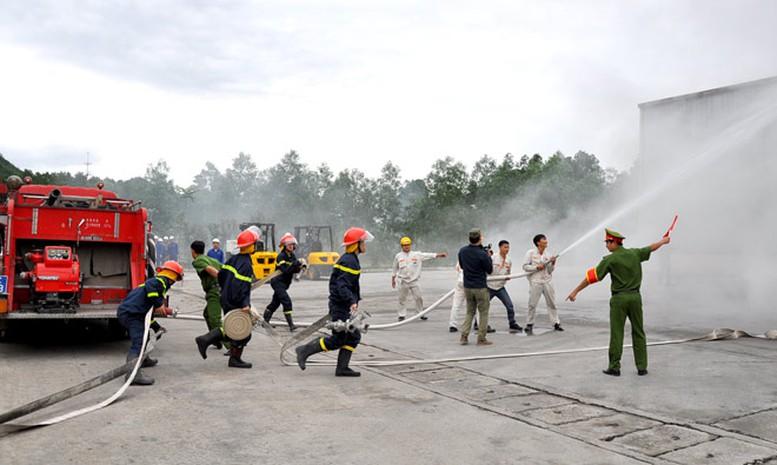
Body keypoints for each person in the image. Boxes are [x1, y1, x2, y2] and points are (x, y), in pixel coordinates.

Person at [566, 228, 670, 376]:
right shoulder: (634, 253)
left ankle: (614, 367)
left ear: (615, 242)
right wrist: (663, 241)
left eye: (608, 242)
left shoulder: (610, 259)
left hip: (619, 299)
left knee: (617, 333)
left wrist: (575, 291)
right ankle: (642, 367)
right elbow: (651, 248)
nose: (606, 245)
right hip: (635, 298)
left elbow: (592, 278)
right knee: (639, 331)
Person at [295, 227, 374, 377]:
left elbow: (346, 284)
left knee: (353, 336)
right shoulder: (349, 261)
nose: (365, 245)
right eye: (363, 242)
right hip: (340, 306)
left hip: (342, 305)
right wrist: (351, 301)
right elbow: (341, 285)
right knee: (338, 339)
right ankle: (304, 350)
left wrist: (353, 299)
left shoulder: (351, 259)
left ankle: (342, 368)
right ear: (356, 244)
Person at [195, 228, 259, 369]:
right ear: (250, 246)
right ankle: (233, 358)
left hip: (226, 297)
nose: (256, 246)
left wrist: (225, 291)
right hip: (236, 300)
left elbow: (221, 275)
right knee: (243, 331)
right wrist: (244, 304)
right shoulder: (246, 264)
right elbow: (242, 286)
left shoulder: (233, 259)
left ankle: (207, 340)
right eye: (255, 243)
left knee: (234, 327)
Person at [116, 261, 182, 386]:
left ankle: (144, 360)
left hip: (136, 314)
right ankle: (133, 375)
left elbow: (148, 313)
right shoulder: (158, 282)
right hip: (131, 315)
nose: (174, 283)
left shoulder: (159, 284)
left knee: (145, 338)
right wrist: (159, 304)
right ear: (172, 277)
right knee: (139, 343)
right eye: (176, 279)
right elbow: (150, 287)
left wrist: (156, 327)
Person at [391, 236, 447, 321]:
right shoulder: (398, 256)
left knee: (419, 297)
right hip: (403, 281)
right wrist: (393, 279)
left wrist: (438, 255)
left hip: (414, 281)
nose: (406, 246)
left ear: (410, 245)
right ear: (401, 246)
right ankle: (401, 315)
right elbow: (394, 268)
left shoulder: (417, 255)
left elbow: (428, 255)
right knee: (402, 299)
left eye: (408, 245)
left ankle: (420, 313)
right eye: (405, 245)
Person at [457, 229, 494, 345]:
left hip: (467, 286)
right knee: (483, 312)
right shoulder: (483, 254)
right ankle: (481, 338)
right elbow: (490, 270)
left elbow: (462, 267)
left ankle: (464, 336)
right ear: (480, 238)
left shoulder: (462, 251)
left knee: (470, 312)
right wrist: (488, 257)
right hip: (480, 287)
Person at [264, 232, 305, 331]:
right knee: (286, 301)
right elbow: (285, 271)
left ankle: (265, 322)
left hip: (285, 283)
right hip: (278, 282)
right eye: (289, 244)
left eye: (293, 244)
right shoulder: (281, 256)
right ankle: (291, 325)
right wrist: (296, 263)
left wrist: (301, 267)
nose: (292, 246)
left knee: (275, 303)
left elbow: (294, 270)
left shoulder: (292, 256)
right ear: (284, 245)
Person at [522, 234, 562, 335]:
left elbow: (550, 271)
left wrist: (553, 263)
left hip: (547, 281)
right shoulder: (530, 253)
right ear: (538, 242)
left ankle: (556, 323)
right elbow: (525, 266)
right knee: (532, 303)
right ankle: (529, 324)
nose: (546, 241)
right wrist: (536, 268)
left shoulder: (548, 254)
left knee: (552, 303)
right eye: (544, 239)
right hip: (536, 281)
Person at [191, 240, 223, 348]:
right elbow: (224, 268)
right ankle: (215, 340)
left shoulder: (198, 261)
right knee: (207, 314)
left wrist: (223, 279)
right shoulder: (212, 259)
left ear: (193, 251)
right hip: (217, 290)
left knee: (214, 318)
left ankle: (230, 345)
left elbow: (210, 270)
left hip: (214, 291)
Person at [488, 240, 523, 333]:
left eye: (508, 247)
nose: (507, 249)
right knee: (483, 306)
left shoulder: (509, 260)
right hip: (489, 286)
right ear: (500, 247)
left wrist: (508, 277)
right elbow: (486, 270)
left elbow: (508, 273)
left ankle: (512, 323)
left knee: (510, 305)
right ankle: (477, 323)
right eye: (505, 247)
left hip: (500, 287)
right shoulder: (492, 258)